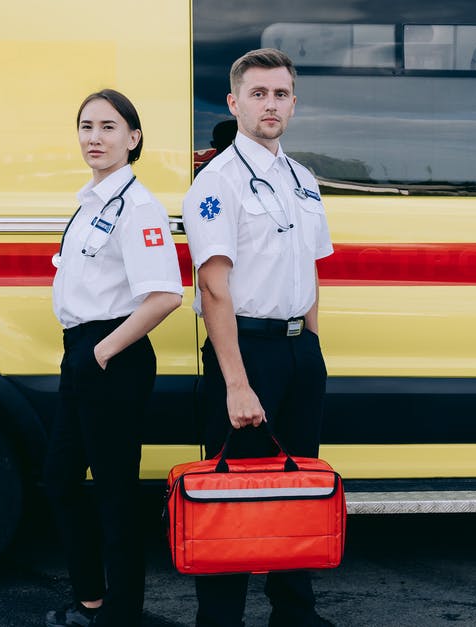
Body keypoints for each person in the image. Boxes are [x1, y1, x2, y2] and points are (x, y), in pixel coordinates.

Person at [181, 49, 335, 627]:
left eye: (280, 94)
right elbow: (214, 288)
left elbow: (311, 270)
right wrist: (237, 384)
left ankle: (294, 614)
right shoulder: (216, 182)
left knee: (296, 489)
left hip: (299, 352)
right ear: (234, 102)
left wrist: (312, 347)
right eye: (258, 94)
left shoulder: (303, 179)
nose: (269, 104)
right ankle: (220, 620)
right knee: (231, 496)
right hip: (245, 356)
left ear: (293, 103)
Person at [44, 89, 183, 627]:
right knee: (59, 479)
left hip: (112, 354)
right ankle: (93, 601)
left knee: (114, 489)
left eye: (107, 127)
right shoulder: (90, 201)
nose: (94, 137)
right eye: (86, 127)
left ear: (134, 137)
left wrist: (101, 351)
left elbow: (166, 295)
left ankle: (119, 611)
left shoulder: (138, 206)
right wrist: (86, 353)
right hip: (83, 352)